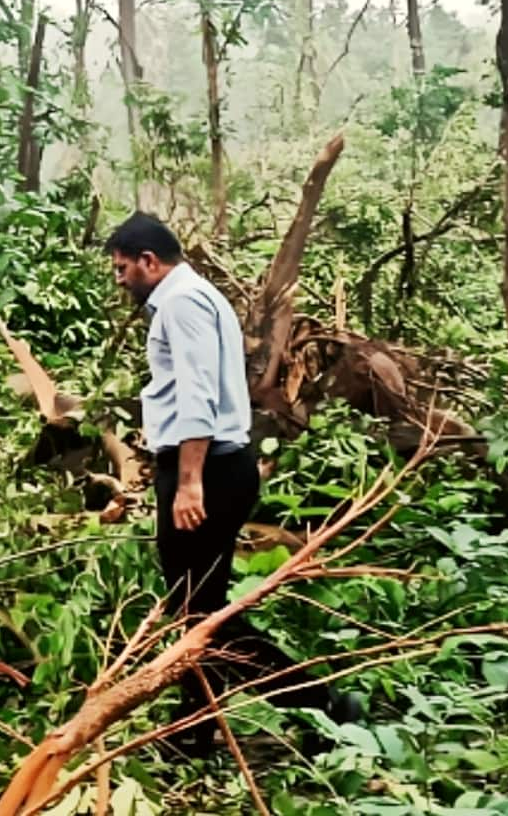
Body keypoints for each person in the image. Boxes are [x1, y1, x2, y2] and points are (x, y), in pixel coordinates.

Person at [105, 212, 353, 754]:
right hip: (210, 465)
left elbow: (197, 394)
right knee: (199, 609)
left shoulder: (181, 303)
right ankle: (195, 727)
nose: (120, 279)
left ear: (150, 261)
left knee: (199, 614)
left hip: (209, 469)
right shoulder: (194, 296)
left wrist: (189, 481)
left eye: (123, 268)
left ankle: (319, 701)